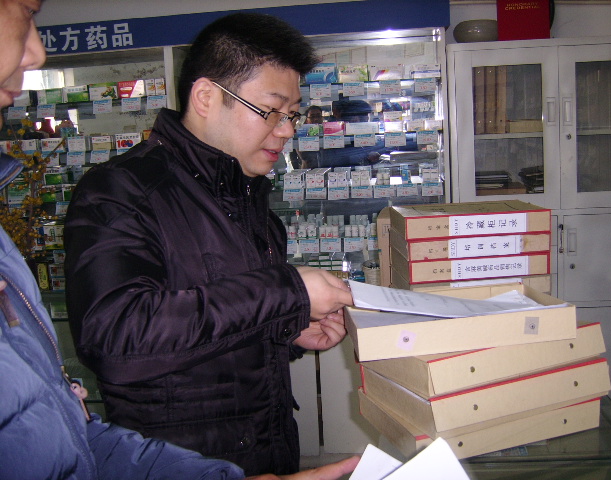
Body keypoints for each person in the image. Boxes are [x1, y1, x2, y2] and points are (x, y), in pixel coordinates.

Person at [0, 2, 358, 479]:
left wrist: (286, 330)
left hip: (268, 453)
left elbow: (216, 325)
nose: (287, 130)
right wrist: (285, 293)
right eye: (271, 111)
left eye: (292, 114)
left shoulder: (250, 199)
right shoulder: (122, 191)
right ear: (206, 97)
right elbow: (115, 338)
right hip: (168, 461)